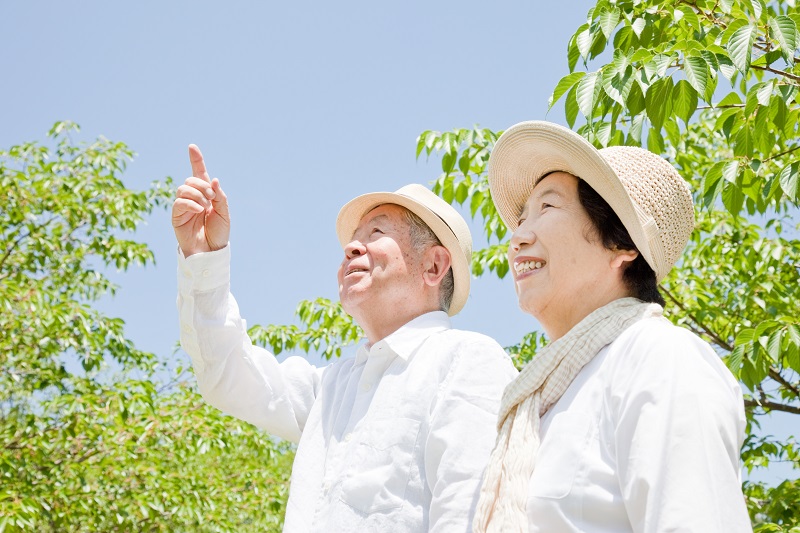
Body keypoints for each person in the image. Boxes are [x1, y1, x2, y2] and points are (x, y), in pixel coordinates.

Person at [172, 144, 518, 532]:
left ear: (434, 265)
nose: (352, 247)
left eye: (377, 232)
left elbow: (470, 516)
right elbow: (227, 374)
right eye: (352, 239)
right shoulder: (332, 388)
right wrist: (204, 256)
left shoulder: (466, 361)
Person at [472, 121, 752, 533]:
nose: (517, 237)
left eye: (547, 208)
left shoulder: (659, 358)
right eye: (521, 217)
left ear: (622, 244)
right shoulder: (538, 402)